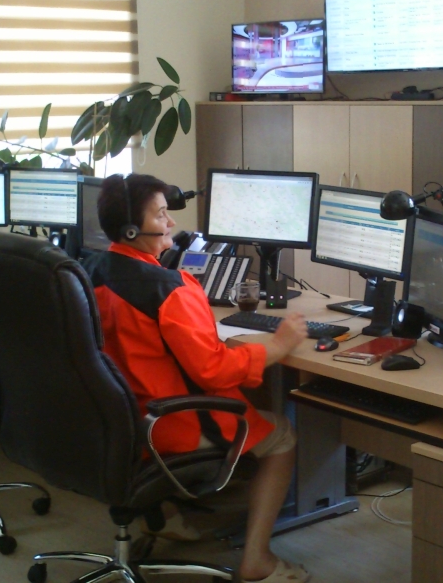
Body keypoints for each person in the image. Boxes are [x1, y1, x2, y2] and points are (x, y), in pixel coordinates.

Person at [89, 173, 311, 583]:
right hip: (172, 423)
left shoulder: (91, 271)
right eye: (161, 215)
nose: (171, 222)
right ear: (133, 230)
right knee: (282, 436)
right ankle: (257, 559)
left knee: (253, 402)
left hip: (121, 419)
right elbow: (213, 370)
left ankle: (165, 514)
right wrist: (278, 345)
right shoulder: (169, 290)